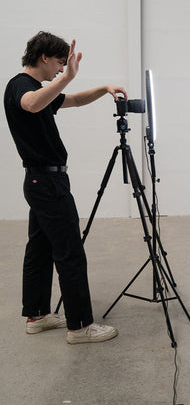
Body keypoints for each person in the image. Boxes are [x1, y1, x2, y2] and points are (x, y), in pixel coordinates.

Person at [3, 31, 127, 344]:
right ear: (44, 57)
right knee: (70, 251)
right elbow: (31, 105)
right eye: (59, 62)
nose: (61, 69)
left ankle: (37, 315)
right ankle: (80, 326)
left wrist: (104, 88)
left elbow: (72, 100)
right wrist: (69, 77)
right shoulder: (21, 85)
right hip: (47, 183)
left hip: (42, 182)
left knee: (40, 249)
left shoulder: (39, 90)